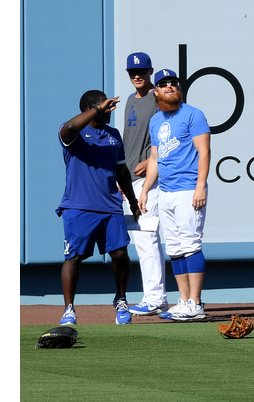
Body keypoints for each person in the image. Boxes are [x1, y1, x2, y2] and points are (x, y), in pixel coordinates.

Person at [56, 90, 139, 326]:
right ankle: (69, 309)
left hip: (111, 206)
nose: (109, 111)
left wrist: (132, 201)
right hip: (79, 207)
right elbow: (70, 126)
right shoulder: (73, 132)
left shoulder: (113, 135)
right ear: (90, 109)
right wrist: (97, 109)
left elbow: (122, 170)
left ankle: (121, 300)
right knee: (74, 257)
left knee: (121, 254)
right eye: (105, 107)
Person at [138, 69, 212, 321]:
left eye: (173, 83)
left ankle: (197, 303)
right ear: (156, 91)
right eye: (163, 83)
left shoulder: (193, 114)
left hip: (188, 188)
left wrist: (201, 185)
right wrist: (146, 190)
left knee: (191, 245)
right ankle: (182, 301)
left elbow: (204, 152)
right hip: (166, 192)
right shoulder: (156, 120)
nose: (169, 86)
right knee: (175, 248)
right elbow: (155, 159)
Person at [121, 52, 169, 316]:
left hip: (147, 183)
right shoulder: (130, 100)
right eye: (132, 72)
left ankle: (155, 297)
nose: (137, 75)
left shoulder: (157, 97)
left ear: (150, 71)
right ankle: (155, 296)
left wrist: (153, 163)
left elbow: (167, 133)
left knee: (147, 238)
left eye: (141, 71)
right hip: (129, 182)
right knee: (140, 240)